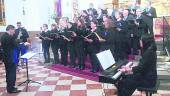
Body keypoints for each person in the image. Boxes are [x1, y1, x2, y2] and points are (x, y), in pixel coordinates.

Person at [1, 25, 21, 93]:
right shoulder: (9, 37)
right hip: (10, 58)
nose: (14, 32)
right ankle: (11, 88)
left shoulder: (3, 36)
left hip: (6, 58)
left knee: (8, 73)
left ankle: (9, 87)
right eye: (14, 30)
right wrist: (24, 44)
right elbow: (16, 45)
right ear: (10, 29)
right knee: (12, 73)